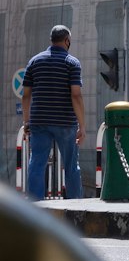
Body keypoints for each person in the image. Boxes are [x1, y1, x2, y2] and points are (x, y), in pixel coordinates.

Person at [22, 24, 85, 200]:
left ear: (51, 40)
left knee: (37, 163)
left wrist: (26, 122)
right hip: (65, 122)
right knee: (71, 165)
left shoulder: (34, 62)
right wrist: (83, 126)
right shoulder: (72, 63)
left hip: (39, 122)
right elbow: (76, 95)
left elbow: (26, 95)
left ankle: (35, 205)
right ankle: (75, 207)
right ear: (67, 40)